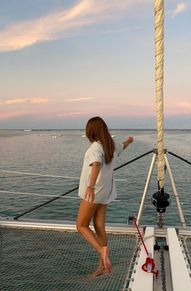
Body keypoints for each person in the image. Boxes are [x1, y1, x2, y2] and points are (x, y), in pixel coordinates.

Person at [77, 116, 133, 277]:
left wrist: (90, 185)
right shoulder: (111, 144)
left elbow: (96, 164)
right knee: (99, 225)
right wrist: (129, 141)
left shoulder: (95, 147)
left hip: (94, 191)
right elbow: (122, 146)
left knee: (81, 225)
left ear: (91, 131)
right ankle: (102, 266)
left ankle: (101, 251)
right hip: (106, 190)